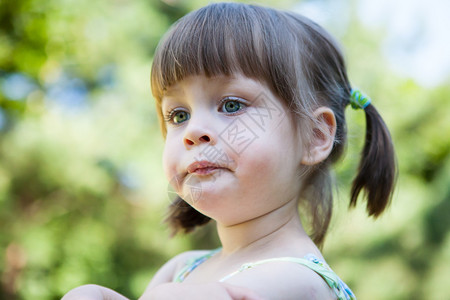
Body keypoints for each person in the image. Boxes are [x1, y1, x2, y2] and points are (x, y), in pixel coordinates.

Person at [62, 2, 396, 299]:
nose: (193, 131)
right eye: (179, 115)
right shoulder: (181, 268)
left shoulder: (297, 281)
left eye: (232, 105)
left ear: (314, 136)